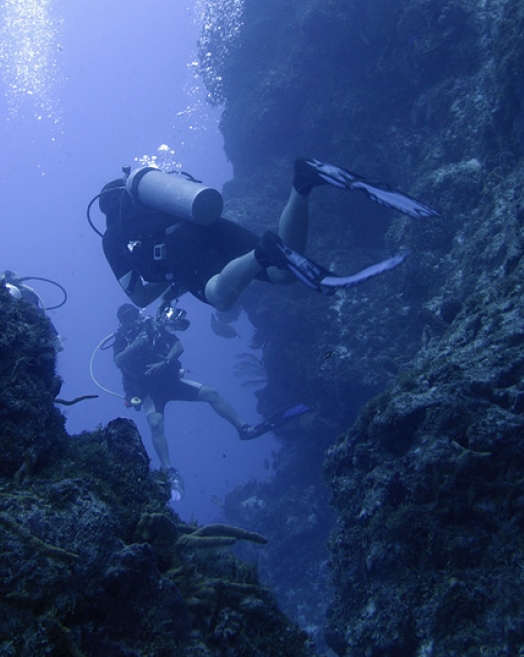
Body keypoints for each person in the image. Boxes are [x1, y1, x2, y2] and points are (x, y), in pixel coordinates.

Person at [92, 157, 438, 313]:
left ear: (108, 209)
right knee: (283, 273)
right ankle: (303, 183)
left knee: (220, 298)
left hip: (178, 249)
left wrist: (171, 279)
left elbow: (138, 298)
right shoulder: (159, 202)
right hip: (206, 225)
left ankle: (262, 253)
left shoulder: (112, 236)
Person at [111, 303, 258, 500]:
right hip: (149, 391)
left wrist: (164, 363)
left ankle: (244, 428)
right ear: (122, 323)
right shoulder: (122, 338)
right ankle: (168, 469)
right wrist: (136, 345)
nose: (131, 319)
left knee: (211, 394)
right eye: (126, 318)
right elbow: (118, 361)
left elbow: (178, 346)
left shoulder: (154, 327)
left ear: (138, 313)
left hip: (172, 381)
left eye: (132, 314)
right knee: (155, 424)